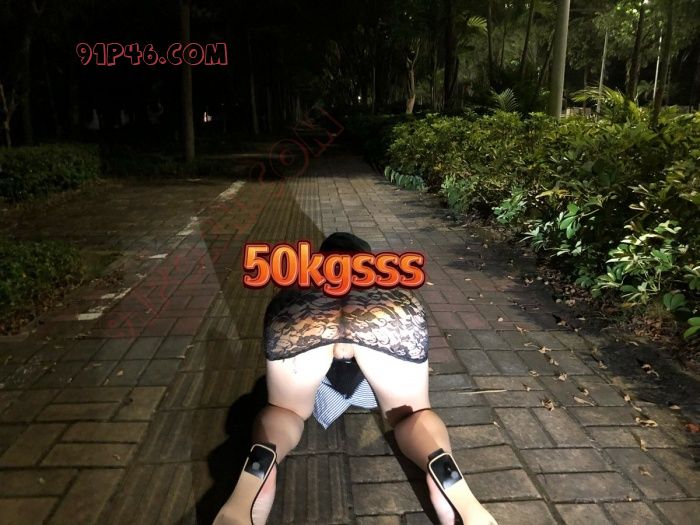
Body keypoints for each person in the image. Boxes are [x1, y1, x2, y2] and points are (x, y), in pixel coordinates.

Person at [214, 232, 497, 525]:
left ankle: (261, 464)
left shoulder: (298, 285)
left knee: (286, 410)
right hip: (383, 312)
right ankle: (441, 466)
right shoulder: (389, 286)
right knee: (412, 414)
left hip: (305, 310)